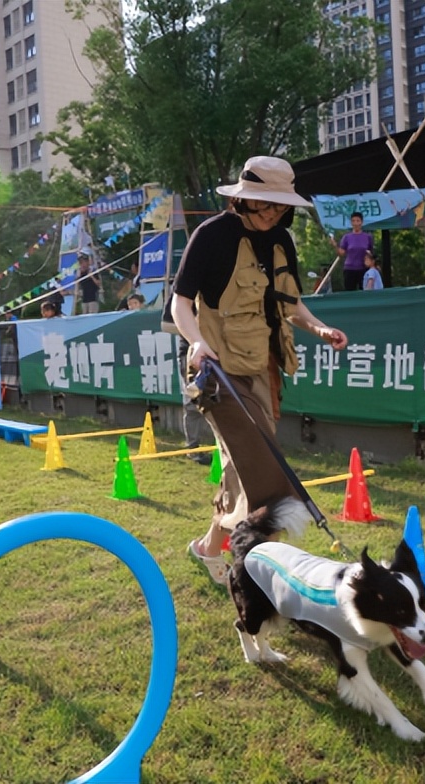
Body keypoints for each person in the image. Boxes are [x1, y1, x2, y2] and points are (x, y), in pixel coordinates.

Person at [170, 156, 348, 584]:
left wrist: (320, 328)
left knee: (243, 462)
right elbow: (180, 303)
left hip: (265, 367)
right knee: (261, 466)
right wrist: (196, 341)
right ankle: (263, 568)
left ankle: (210, 547)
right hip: (218, 371)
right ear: (244, 199)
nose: (273, 212)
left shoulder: (282, 240)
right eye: (265, 204)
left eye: (280, 205)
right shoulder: (210, 236)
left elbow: (291, 305)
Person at [178, 335, 214, 466]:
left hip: (217, 353)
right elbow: (168, 325)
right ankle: (193, 449)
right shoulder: (181, 314)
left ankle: (225, 448)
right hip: (190, 356)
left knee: (220, 402)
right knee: (192, 405)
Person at [331, 211, 374, 291]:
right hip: (350, 269)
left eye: (358, 221)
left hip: (363, 269)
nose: (356, 223)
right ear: (351, 223)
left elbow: (371, 253)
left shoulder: (367, 237)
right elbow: (341, 253)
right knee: (349, 292)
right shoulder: (347, 237)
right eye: (353, 221)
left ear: (361, 222)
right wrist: (335, 245)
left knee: (365, 292)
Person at [76, 249, 102, 314]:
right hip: (84, 299)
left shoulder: (93, 271)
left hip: (93, 299)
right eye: (80, 263)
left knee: (92, 315)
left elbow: (99, 283)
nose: (82, 264)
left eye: (83, 262)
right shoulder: (81, 273)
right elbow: (78, 283)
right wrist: (79, 274)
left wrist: (91, 276)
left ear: (87, 262)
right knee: (84, 315)